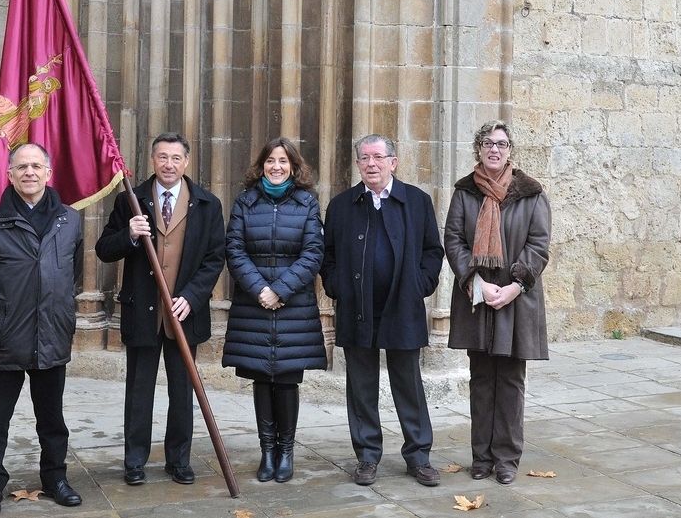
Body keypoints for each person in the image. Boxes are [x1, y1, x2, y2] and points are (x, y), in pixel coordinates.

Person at [95, 132, 225, 486]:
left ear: (186, 162)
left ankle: (178, 460)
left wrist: (192, 296)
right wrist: (128, 234)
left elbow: (215, 258)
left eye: (176, 158)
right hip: (143, 312)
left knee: (182, 390)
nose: (169, 164)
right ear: (153, 160)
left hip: (184, 313)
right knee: (139, 391)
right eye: (163, 157)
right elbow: (104, 249)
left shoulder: (208, 204)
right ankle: (135, 461)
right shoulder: (131, 200)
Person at [320, 134, 444, 488]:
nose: (371, 164)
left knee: (408, 383)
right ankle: (367, 456)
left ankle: (419, 456)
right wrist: (337, 287)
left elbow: (432, 251)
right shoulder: (342, 205)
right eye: (364, 158)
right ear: (358, 164)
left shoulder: (417, 201)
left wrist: (420, 284)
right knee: (361, 386)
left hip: (402, 306)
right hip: (357, 307)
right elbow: (328, 256)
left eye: (378, 157)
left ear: (393, 162)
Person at [0, 143, 84, 517]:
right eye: (21, 167)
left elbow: (72, 274)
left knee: (52, 419)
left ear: (49, 173)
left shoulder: (70, 220)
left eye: (36, 166)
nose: (29, 172)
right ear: (10, 175)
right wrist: (0, 315)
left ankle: (55, 478)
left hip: (52, 334)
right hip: (5, 337)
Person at [445, 120, 551, 485]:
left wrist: (515, 286)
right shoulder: (464, 192)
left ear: (510, 151)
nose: (494, 149)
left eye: (501, 144)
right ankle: (482, 457)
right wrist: (477, 282)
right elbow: (454, 240)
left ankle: (506, 458)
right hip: (477, 298)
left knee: (509, 380)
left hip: (516, 300)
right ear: (478, 149)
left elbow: (538, 245)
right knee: (480, 379)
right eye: (488, 143)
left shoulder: (531, 193)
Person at [221, 137, 326, 483]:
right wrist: (260, 290)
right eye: (270, 161)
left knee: (287, 378)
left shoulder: (307, 203)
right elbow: (235, 250)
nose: (276, 167)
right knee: (261, 378)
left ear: (293, 167)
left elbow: (313, 252)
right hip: (255, 304)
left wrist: (279, 290)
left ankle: (286, 451)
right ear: (262, 165)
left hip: (292, 304)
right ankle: (267, 451)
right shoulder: (246, 202)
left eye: (283, 161)